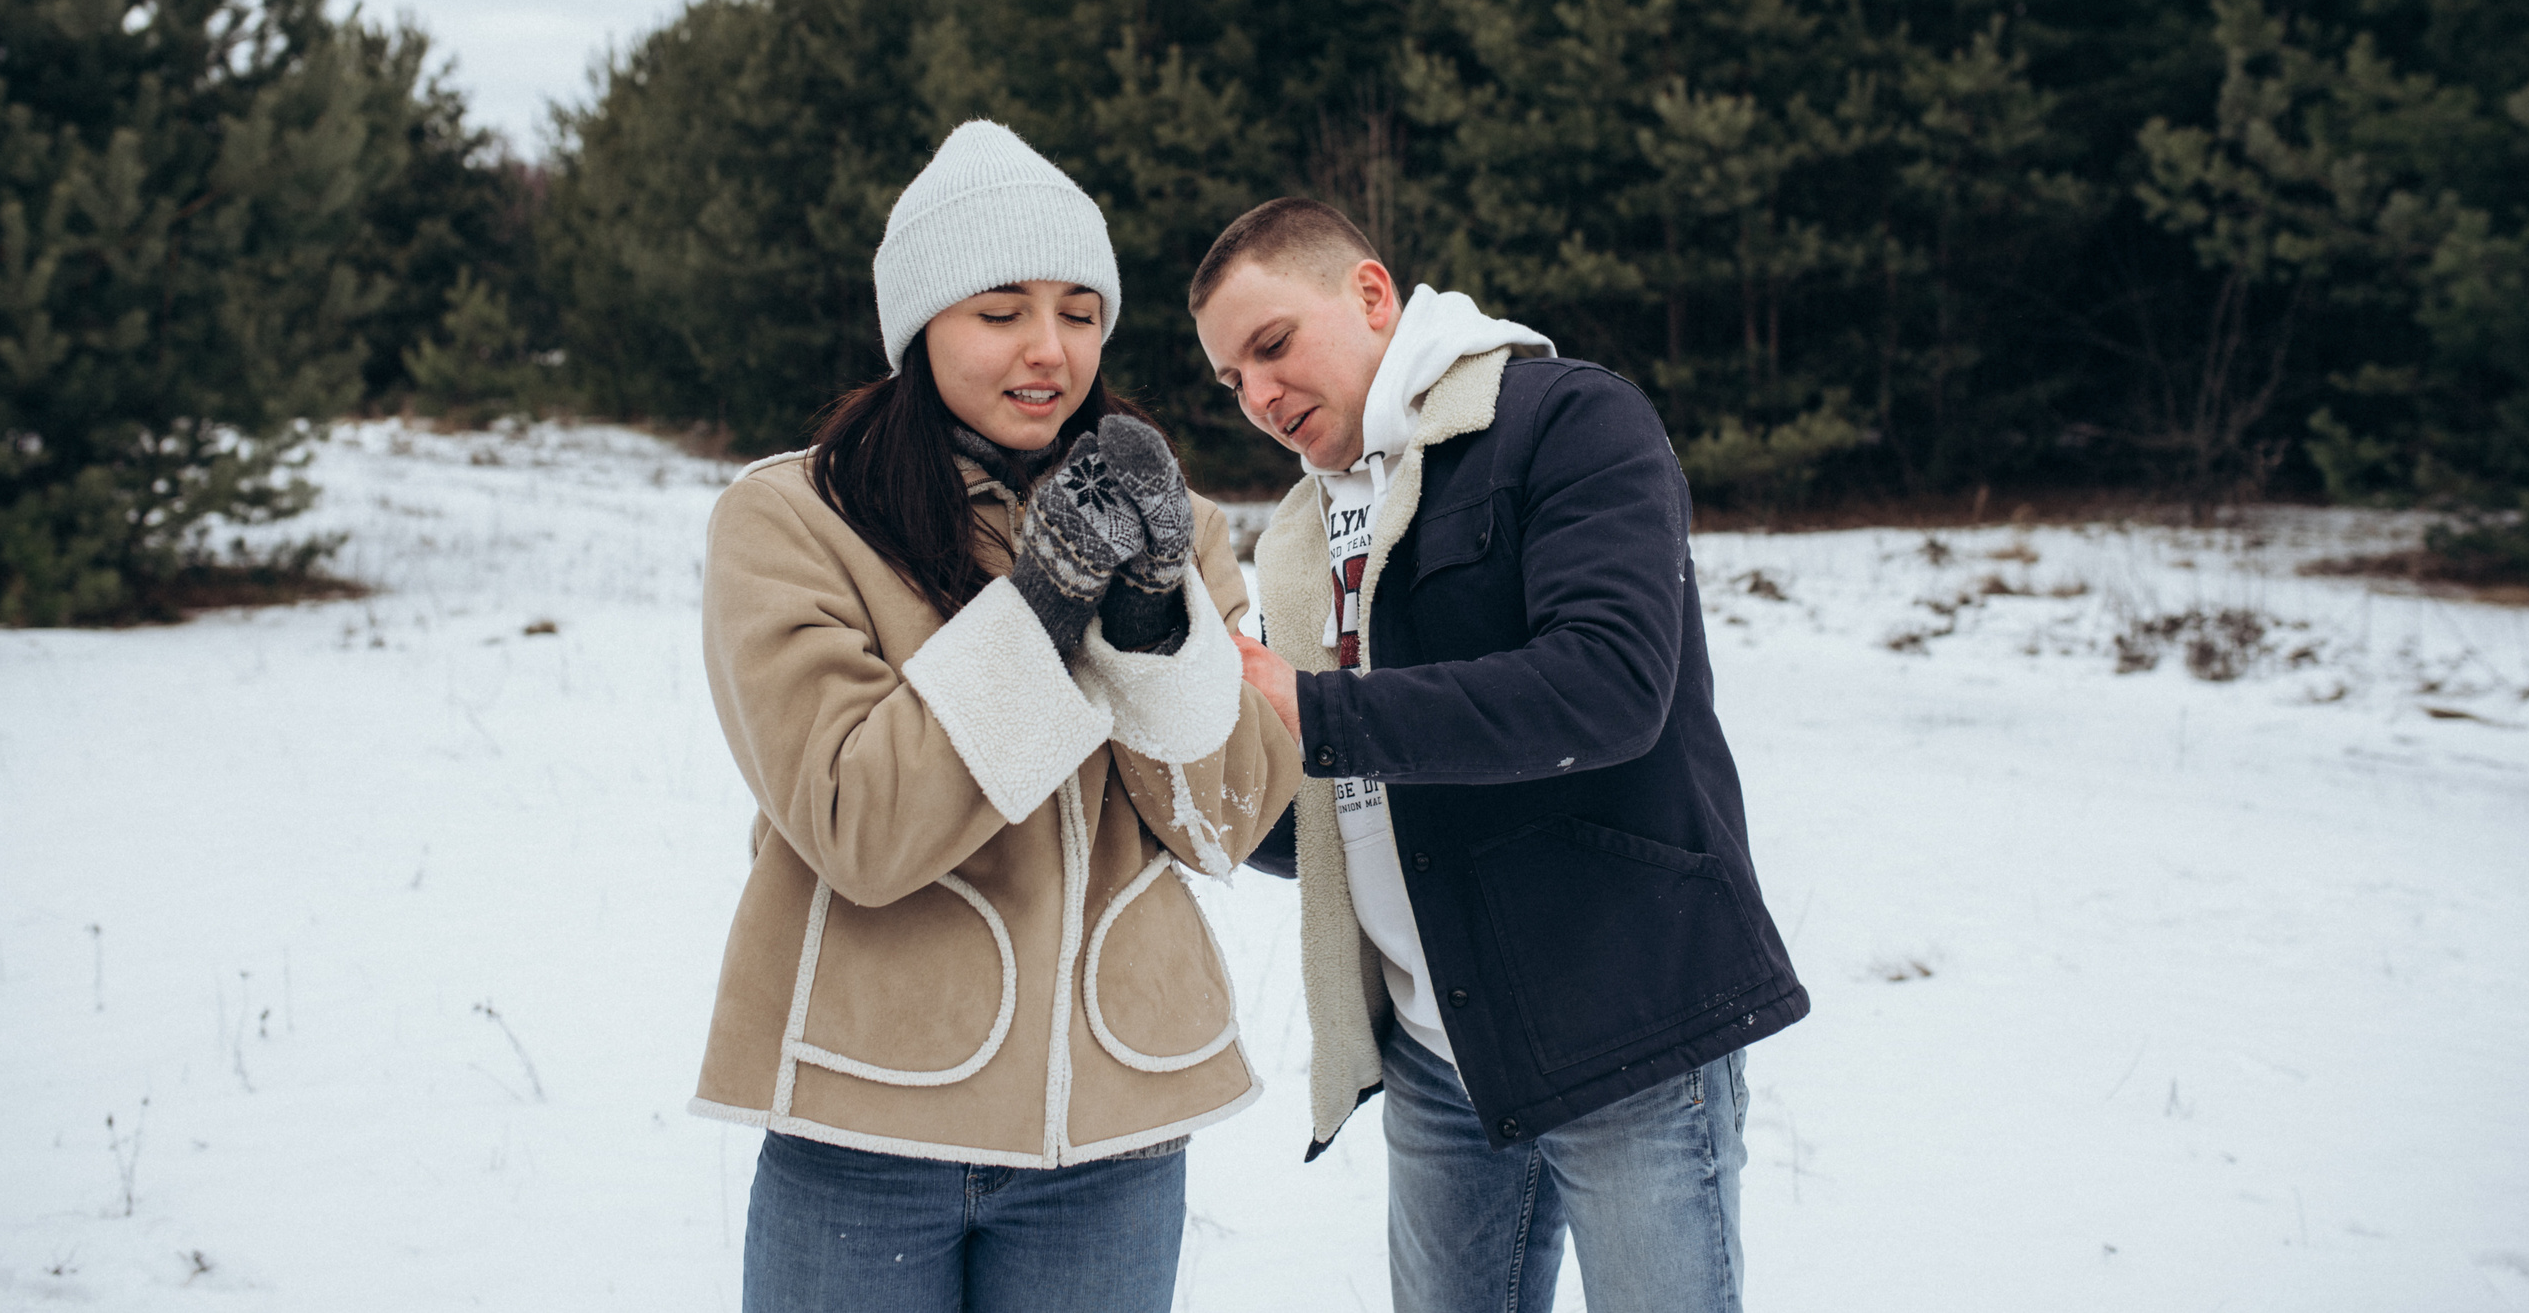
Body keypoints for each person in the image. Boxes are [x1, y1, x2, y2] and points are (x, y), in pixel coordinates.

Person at [692, 121, 1301, 1313]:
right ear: (921, 326)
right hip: (864, 1127)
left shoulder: (1175, 525)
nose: (1048, 349)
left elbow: (1224, 817)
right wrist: (1041, 606)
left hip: (1115, 1134)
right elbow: (855, 824)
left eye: (1081, 310)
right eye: (1000, 309)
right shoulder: (792, 520)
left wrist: (1147, 627)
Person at [1192, 197, 1809, 1313]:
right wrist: (1197, 787)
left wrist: (1319, 706)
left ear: (1371, 294)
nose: (1260, 395)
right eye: (1232, 380)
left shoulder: (1568, 419)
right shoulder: (1300, 528)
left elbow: (1610, 685)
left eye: (1272, 344)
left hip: (1625, 1022)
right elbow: (1340, 806)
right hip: (1439, 1045)